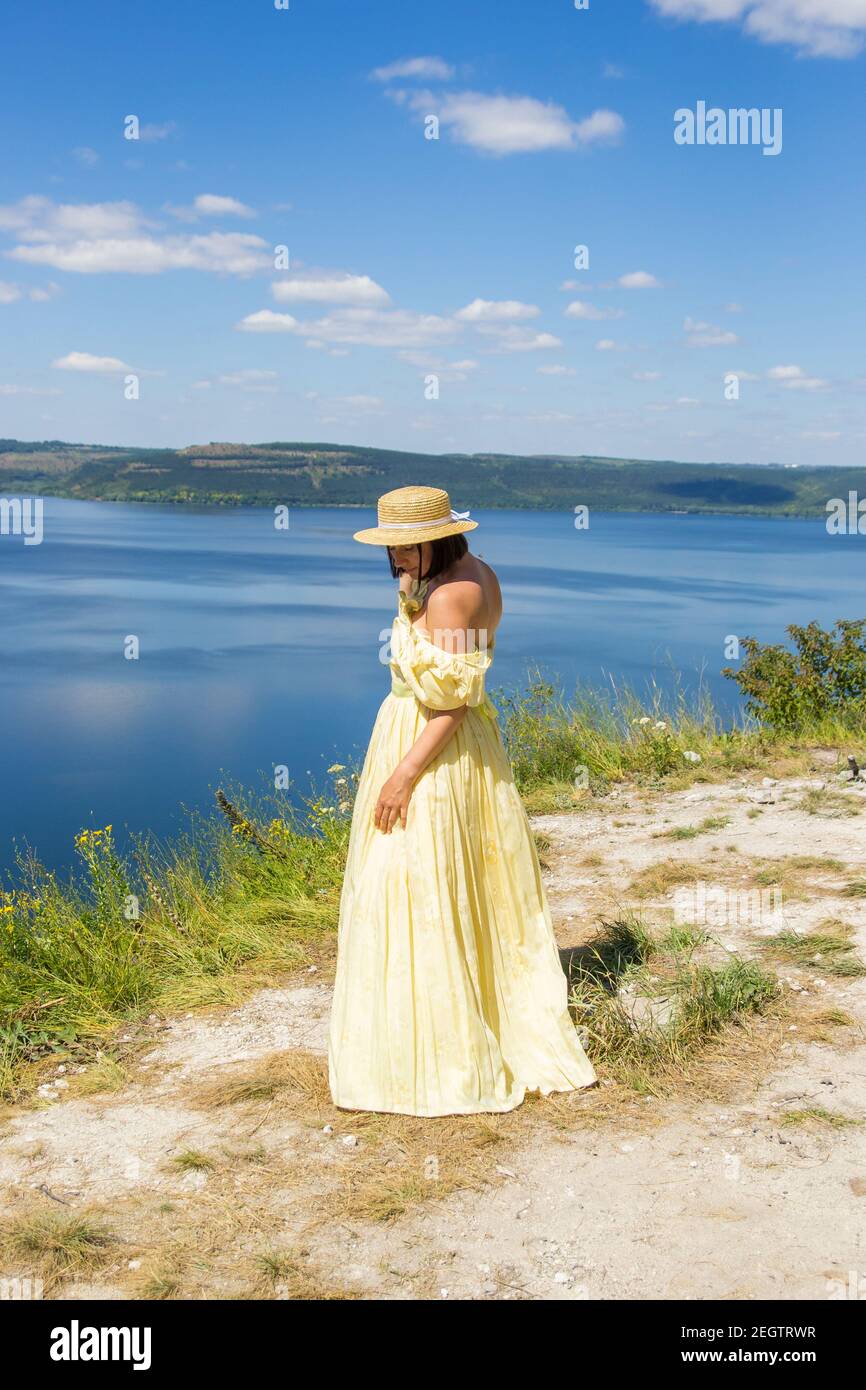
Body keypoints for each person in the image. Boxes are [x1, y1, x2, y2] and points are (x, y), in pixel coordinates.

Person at [328, 485, 597, 1115]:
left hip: (430, 749)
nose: (394, 558)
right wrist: (407, 587)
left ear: (434, 539)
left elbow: (451, 704)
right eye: (390, 547)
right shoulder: (460, 574)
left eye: (403, 546)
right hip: (427, 736)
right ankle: (434, 1014)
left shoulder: (451, 594)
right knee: (439, 884)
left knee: (410, 884)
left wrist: (403, 776)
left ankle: (431, 1046)